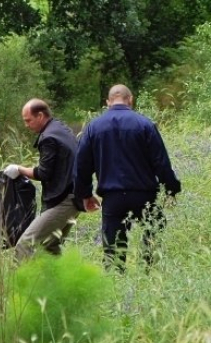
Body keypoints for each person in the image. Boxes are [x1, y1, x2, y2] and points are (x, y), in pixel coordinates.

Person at [74, 84, 181, 272]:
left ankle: (116, 290)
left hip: (112, 198)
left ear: (108, 102)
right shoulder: (145, 124)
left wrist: (85, 194)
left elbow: (81, 167)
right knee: (152, 238)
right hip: (145, 195)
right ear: (130, 99)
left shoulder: (93, 128)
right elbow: (161, 163)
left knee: (113, 252)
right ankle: (149, 276)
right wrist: (171, 189)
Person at [4, 99, 81, 260]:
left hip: (64, 200)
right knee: (49, 246)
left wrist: (19, 169)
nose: (26, 125)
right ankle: (56, 284)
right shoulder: (61, 128)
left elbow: (43, 173)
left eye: (28, 120)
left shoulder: (48, 137)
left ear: (40, 116)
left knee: (25, 244)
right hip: (75, 196)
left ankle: (24, 284)